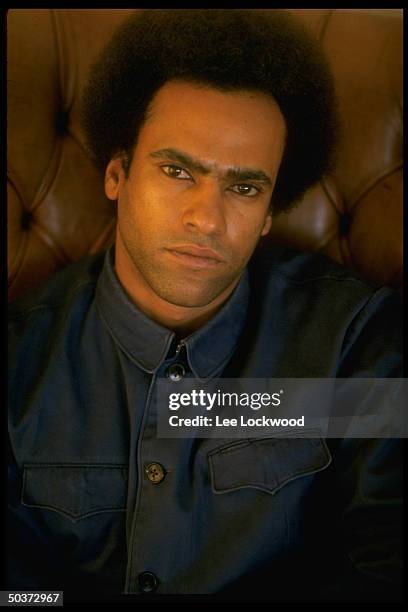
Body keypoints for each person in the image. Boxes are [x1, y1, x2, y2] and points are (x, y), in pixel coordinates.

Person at [8, 9, 402, 602]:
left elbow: (387, 562)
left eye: (244, 188)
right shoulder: (19, 361)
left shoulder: (353, 341)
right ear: (117, 175)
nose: (207, 219)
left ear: (271, 210)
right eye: (176, 171)